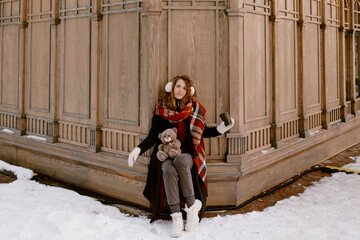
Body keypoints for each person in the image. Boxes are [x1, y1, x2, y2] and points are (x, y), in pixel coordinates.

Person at [128, 75, 234, 238]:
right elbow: (153, 135)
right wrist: (138, 149)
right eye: (178, 86)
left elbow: (203, 132)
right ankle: (177, 216)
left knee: (180, 160)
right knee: (167, 168)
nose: (180, 90)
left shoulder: (194, 109)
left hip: (187, 155)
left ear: (189, 91)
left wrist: (220, 128)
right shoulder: (161, 110)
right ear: (171, 88)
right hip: (166, 155)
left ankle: (191, 208)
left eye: (184, 88)